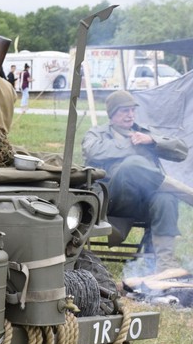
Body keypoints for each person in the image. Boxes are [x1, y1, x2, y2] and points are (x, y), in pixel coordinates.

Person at [82, 91, 192, 280]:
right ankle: (189, 195)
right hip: (113, 200)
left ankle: (165, 264)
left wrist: (153, 141)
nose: (130, 115)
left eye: (132, 110)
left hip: (142, 204)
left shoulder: (143, 133)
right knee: (131, 164)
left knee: (165, 198)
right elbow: (92, 150)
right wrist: (133, 146)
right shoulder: (97, 133)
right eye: (124, 111)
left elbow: (181, 151)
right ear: (112, 114)